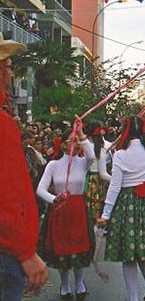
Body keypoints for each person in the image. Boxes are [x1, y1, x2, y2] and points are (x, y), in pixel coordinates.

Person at [0, 33, 48, 301]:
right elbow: (7, 198)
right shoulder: (3, 125)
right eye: (6, 65)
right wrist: (24, 252)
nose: (9, 73)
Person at [97, 116, 145, 301]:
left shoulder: (121, 154)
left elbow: (115, 186)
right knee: (143, 252)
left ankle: (134, 298)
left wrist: (106, 214)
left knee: (129, 256)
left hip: (128, 205)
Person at [36, 122, 96, 300]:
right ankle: (65, 284)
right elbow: (40, 189)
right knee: (62, 249)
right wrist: (54, 199)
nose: (76, 143)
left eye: (78, 141)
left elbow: (92, 154)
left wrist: (82, 134)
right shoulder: (53, 165)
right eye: (72, 140)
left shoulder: (83, 163)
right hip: (60, 211)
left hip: (78, 211)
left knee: (79, 248)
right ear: (62, 144)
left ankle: (79, 283)